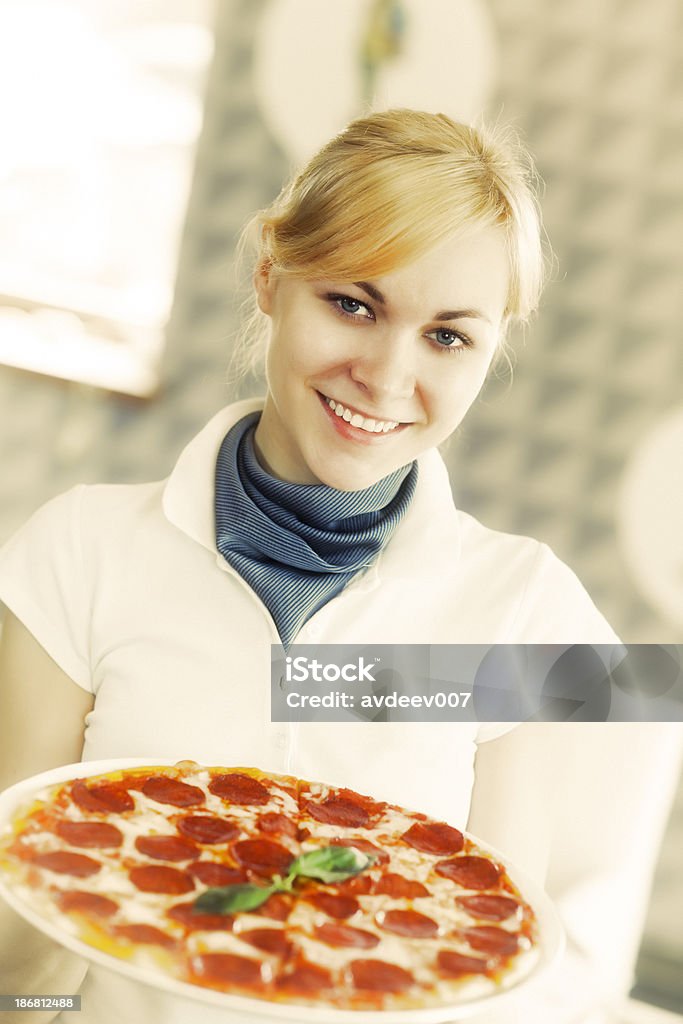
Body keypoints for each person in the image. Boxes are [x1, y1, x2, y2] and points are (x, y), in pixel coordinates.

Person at [0, 109, 679, 1024]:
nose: (387, 376)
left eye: (447, 336)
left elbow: (490, 967)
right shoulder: (78, 550)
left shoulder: (520, 608)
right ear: (270, 277)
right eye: (353, 304)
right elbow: (18, 933)